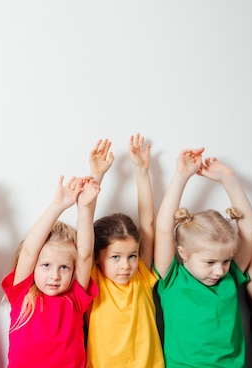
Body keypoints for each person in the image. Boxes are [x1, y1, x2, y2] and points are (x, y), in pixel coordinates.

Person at [154, 149, 252, 367]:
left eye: (225, 260)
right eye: (210, 262)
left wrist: (229, 179)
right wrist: (181, 175)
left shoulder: (230, 277)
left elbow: (251, 230)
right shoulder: (172, 279)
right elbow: (164, 229)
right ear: (183, 253)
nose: (219, 270)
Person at [2, 175, 100, 368]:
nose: (54, 276)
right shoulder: (22, 294)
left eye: (64, 267)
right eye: (46, 265)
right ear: (35, 267)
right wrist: (57, 205)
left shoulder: (75, 298)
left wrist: (84, 208)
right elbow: (29, 250)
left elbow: (86, 255)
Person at [85, 134, 164, 367]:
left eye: (132, 256)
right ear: (98, 257)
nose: (126, 265)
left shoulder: (141, 274)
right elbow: (85, 236)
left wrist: (142, 171)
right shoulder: (94, 280)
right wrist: (96, 175)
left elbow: (147, 225)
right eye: (115, 257)